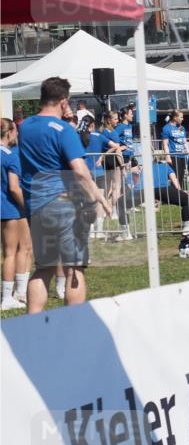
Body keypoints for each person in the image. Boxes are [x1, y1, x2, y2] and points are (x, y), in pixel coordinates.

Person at [18, 77, 112, 313]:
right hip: (63, 203)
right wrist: (97, 196)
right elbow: (79, 170)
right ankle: (74, 323)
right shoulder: (63, 131)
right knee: (74, 268)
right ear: (64, 101)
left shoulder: (25, 126)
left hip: (36, 205)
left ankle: (33, 322)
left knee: (44, 267)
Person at [1, 119, 31, 310]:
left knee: (12, 251)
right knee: (15, 251)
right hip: (11, 208)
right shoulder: (11, 156)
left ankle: (18, 292)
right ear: (9, 133)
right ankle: (9, 296)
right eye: (16, 132)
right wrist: (26, 206)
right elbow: (14, 187)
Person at [161, 110, 189, 178]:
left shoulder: (182, 128)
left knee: (183, 177)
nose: (183, 119)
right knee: (176, 177)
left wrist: (188, 152)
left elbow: (184, 141)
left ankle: (180, 188)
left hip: (183, 155)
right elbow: (165, 144)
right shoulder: (166, 128)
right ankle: (176, 188)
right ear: (175, 118)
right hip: (174, 156)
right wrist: (168, 157)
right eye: (181, 117)